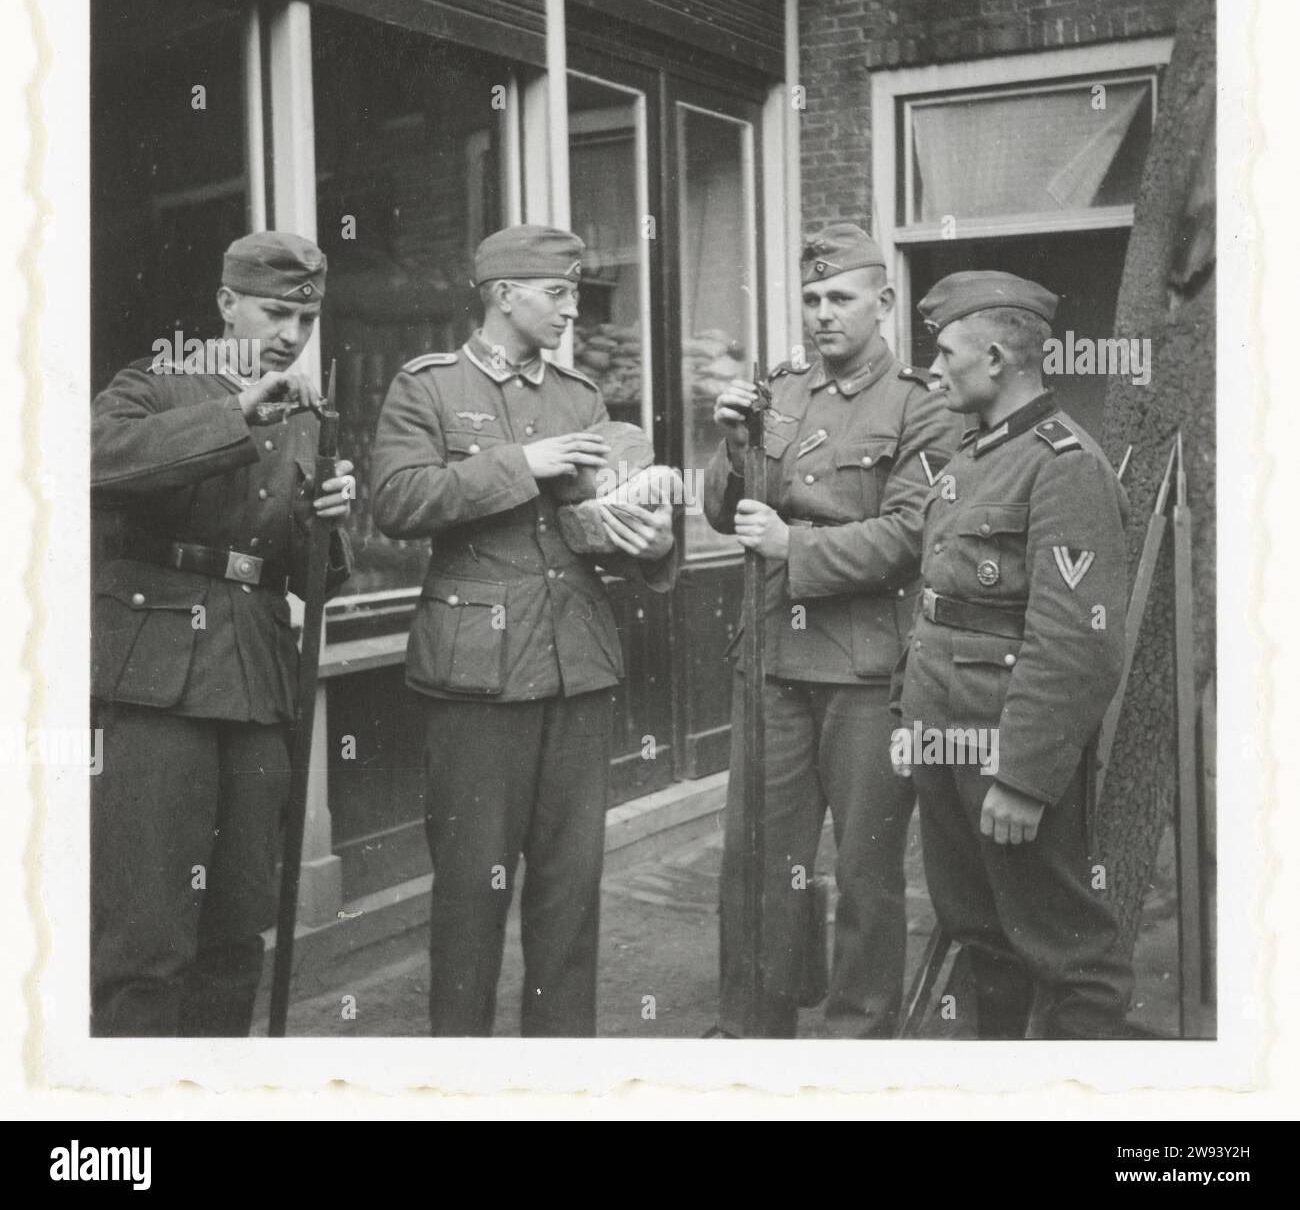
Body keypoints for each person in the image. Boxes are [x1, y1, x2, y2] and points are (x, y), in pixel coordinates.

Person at [370, 224, 676, 1037]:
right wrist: (522, 463)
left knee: (570, 901)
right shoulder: (429, 386)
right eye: (558, 292)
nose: (574, 309)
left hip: (576, 669)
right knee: (471, 898)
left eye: (577, 291)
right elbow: (396, 503)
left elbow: (597, 520)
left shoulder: (581, 396)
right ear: (504, 294)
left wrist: (650, 544)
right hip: (478, 678)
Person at [702, 223, 964, 1038]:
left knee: (865, 871)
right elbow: (722, 509)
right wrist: (730, 444)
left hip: (865, 672)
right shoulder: (779, 389)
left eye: (840, 297)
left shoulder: (924, 405)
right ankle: (754, 1033)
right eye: (811, 298)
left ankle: (859, 1042)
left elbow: (912, 536)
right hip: (773, 663)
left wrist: (795, 545)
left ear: (882, 303)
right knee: (757, 862)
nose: (821, 313)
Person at [90, 231, 355, 1036]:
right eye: (275, 313)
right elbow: (91, 461)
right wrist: (232, 412)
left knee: (237, 930)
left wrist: (327, 525)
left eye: (305, 320)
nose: (290, 335)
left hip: (254, 677)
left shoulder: (309, 416)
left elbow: (307, 570)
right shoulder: (157, 383)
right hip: (156, 683)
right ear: (225, 303)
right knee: (149, 936)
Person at [893, 269, 1133, 1039]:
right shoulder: (970, 459)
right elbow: (943, 605)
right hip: (948, 742)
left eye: (946, 350)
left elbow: (1076, 640)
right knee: (979, 934)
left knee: (1070, 957)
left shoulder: (1064, 464)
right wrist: (916, 722)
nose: (933, 368)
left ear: (996, 357)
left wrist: (1025, 778)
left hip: (1005, 755)